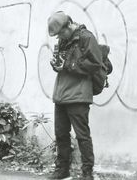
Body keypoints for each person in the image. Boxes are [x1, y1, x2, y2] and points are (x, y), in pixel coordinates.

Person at [47, 11, 103, 180]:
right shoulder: (64, 39)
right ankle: (62, 170)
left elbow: (95, 64)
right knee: (61, 134)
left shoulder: (86, 38)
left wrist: (69, 64)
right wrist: (57, 65)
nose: (60, 37)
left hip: (78, 95)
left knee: (82, 136)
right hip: (61, 94)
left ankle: (87, 173)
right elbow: (64, 65)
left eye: (61, 32)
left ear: (69, 24)